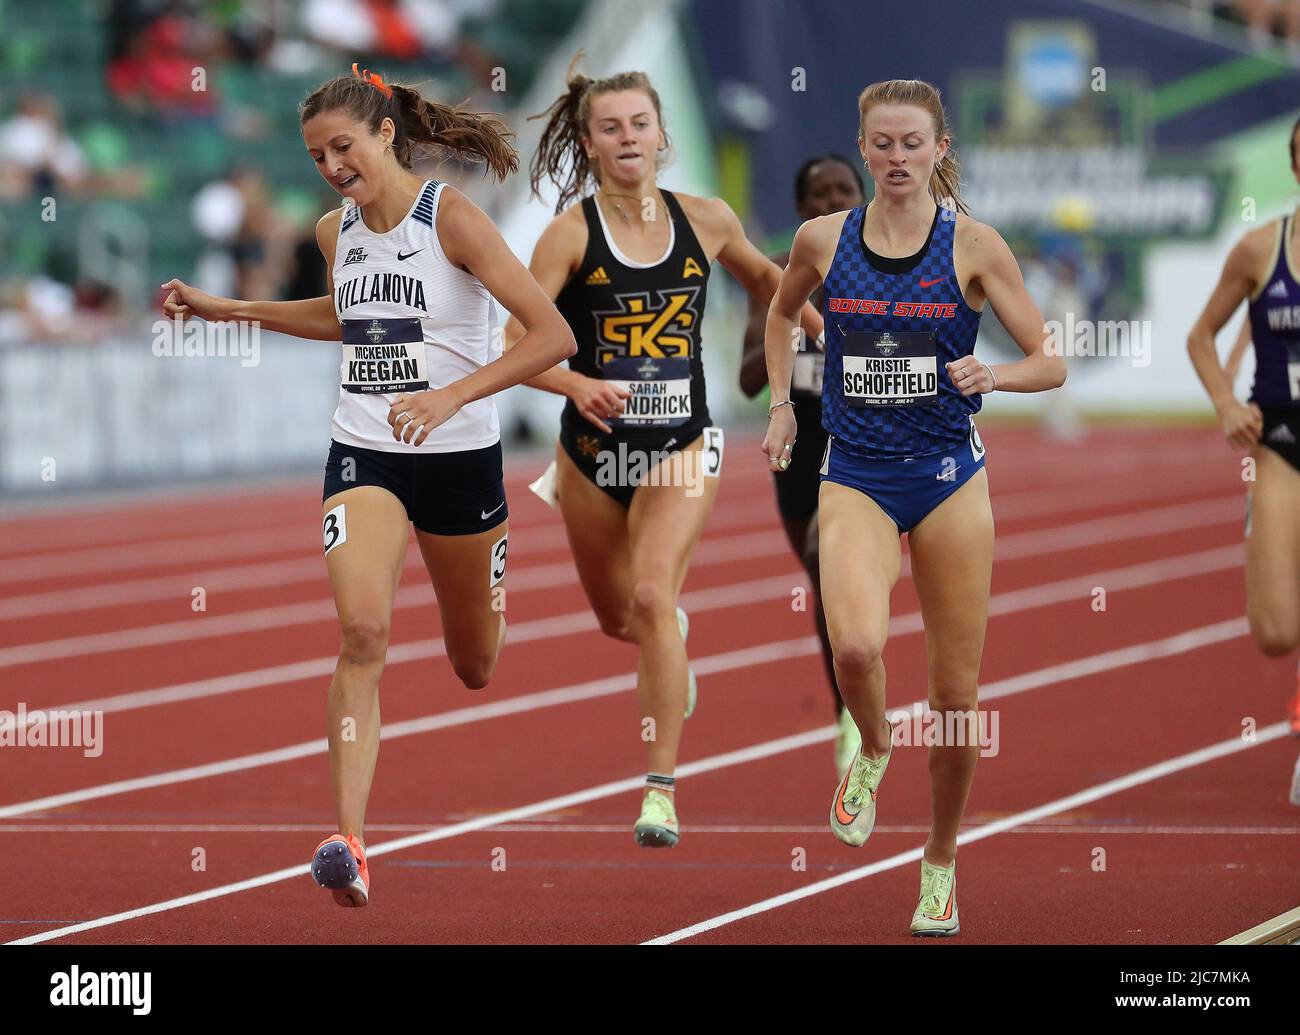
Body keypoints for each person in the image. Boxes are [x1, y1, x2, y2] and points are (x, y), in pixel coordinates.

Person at [162, 64, 576, 906]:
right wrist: (231, 308)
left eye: (342, 147)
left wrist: (453, 393)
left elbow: (552, 334)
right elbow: (345, 316)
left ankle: (487, 596)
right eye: (316, 156)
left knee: (476, 664)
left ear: (386, 134)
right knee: (362, 631)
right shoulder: (333, 231)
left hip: (461, 459)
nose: (331, 167)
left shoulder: (451, 220)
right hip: (366, 450)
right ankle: (348, 841)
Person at [764, 79, 1065, 936]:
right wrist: (784, 403)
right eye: (883, 144)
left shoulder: (974, 245)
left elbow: (1051, 360)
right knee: (855, 646)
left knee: (956, 696)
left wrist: (994, 374)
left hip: (947, 479)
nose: (897, 159)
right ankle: (872, 744)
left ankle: (939, 859)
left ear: (940, 149)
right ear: (863, 150)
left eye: (912, 144)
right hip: (853, 469)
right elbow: (783, 316)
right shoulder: (824, 238)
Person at [504, 58, 821, 848]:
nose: (628, 137)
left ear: (661, 133)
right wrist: (576, 385)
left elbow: (766, 282)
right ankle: (668, 636)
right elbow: (516, 344)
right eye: (611, 127)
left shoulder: (707, 219)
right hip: (589, 458)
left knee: (648, 597)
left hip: (684, 446)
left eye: (639, 123)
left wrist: (824, 326)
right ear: (589, 141)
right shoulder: (569, 235)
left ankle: (660, 791)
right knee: (624, 617)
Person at [738, 153, 866, 778]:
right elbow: (744, 380)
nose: (831, 202)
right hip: (797, 450)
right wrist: (786, 331)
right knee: (825, 588)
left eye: (843, 190)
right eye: (819, 194)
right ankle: (850, 711)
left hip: (866, 446)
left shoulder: (881, 271)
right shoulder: (779, 277)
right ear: (800, 209)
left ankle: (854, 710)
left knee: (831, 561)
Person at [1188, 115, 1300, 804]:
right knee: (1276, 630)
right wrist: (1228, 403)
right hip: (1281, 439)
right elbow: (1202, 335)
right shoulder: (1262, 249)